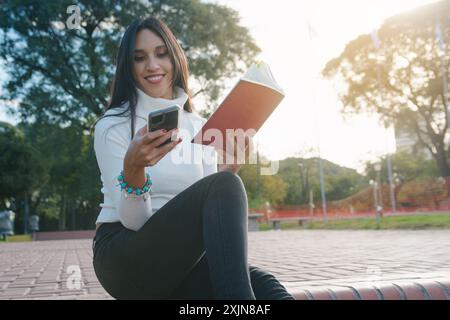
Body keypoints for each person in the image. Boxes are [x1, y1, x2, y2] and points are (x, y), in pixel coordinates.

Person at [92, 16, 294, 300]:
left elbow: (209, 207)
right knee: (224, 185)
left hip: (182, 262)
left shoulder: (199, 126)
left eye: (161, 54)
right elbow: (134, 221)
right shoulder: (112, 125)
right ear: (129, 67)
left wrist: (230, 167)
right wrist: (133, 167)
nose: (152, 65)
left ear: (175, 58)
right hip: (126, 258)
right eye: (140, 58)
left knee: (267, 288)